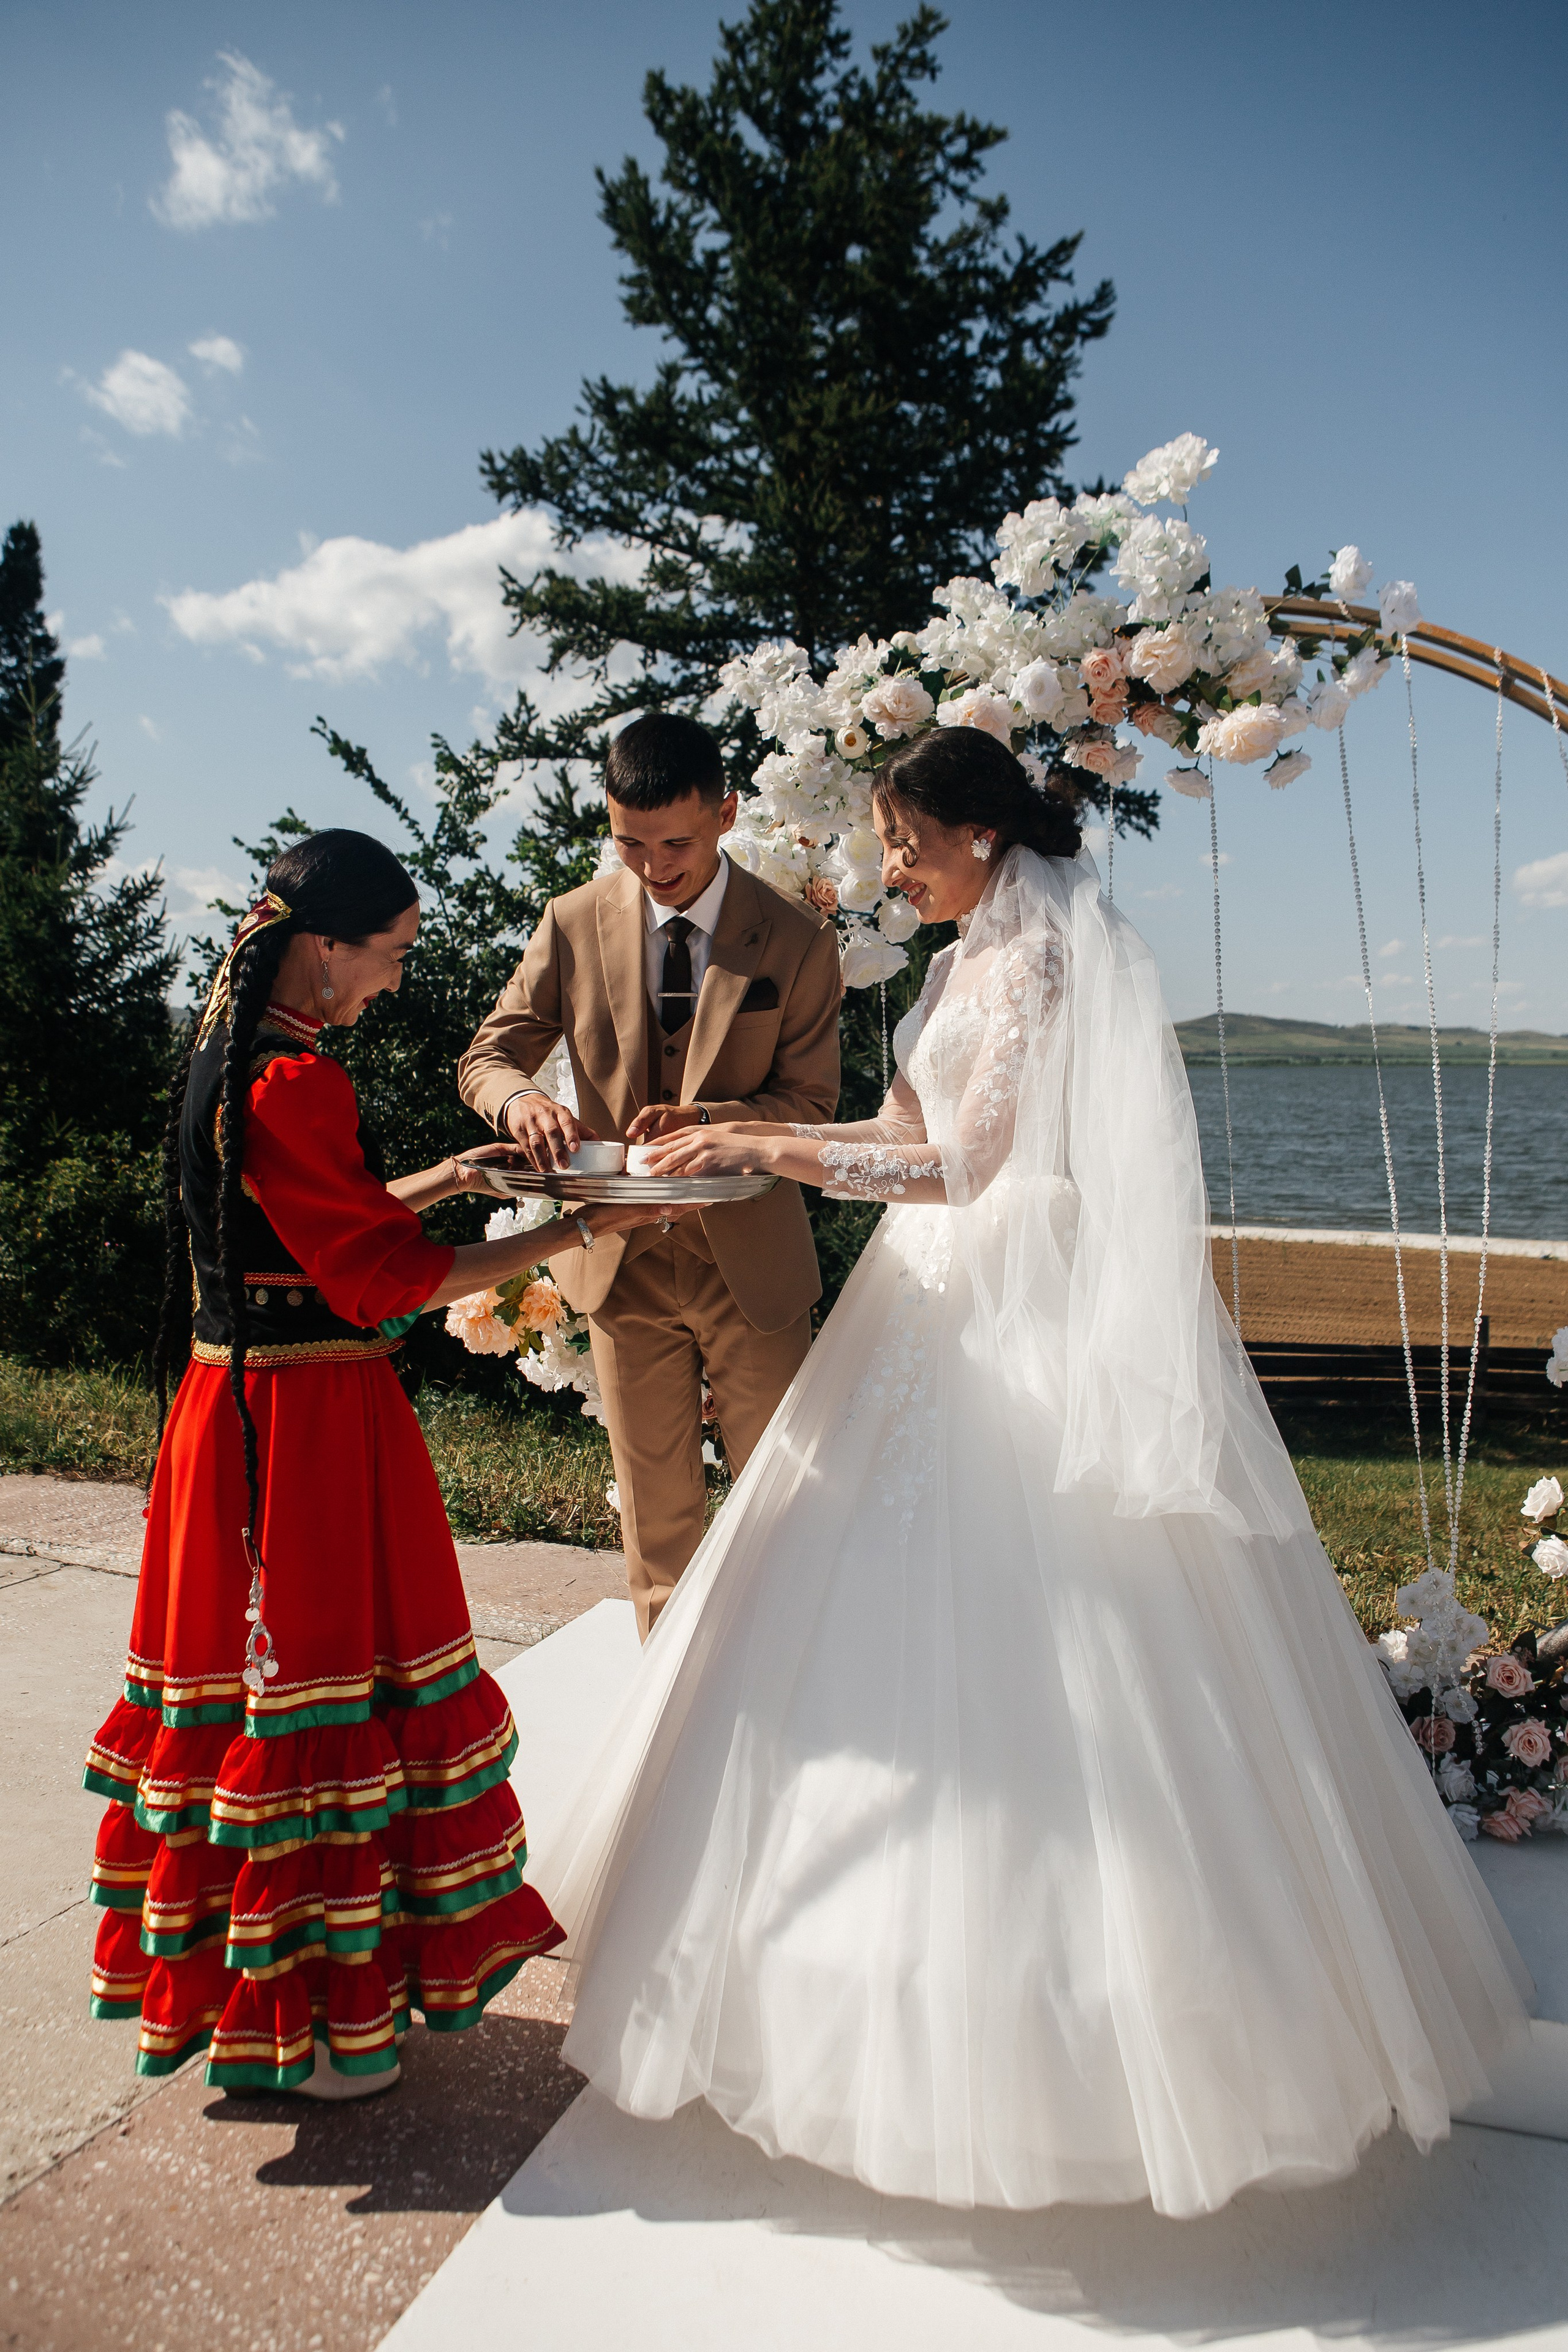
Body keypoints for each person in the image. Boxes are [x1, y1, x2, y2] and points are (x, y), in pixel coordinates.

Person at [529, 729, 1532, 2218]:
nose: (890, 869)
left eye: (905, 844)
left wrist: (775, 1155)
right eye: (886, 846)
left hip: (1019, 1311)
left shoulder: (1045, 964)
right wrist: (748, 1131)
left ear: (980, 837)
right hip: (924, 1305)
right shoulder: (951, 969)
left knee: (1069, 1625)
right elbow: (898, 1130)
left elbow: (963, 1169)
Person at [84, 829, 673, 2100]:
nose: (398, 980)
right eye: (391, 955)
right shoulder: (300, 1082)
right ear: (324, 946)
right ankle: (317, 2031)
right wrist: (576, 1227)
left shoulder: (232, 1048)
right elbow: (381, 1285)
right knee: (324, 1695)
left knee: (253, 1701)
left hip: (228, 1402)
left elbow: (311, 1235)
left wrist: (453, 1176)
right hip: (307, 1429)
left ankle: (266, 2014)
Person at [457, 713, 842, 1637]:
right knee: (655, 1518)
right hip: (615, 1258)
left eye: (675, 843)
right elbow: (488, 1057)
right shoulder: (572, 922)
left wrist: (711, 1124)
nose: (653, 865)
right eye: (630, 842)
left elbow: (812, 1106)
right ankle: (674, 1701)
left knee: (784, 1505)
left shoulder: (795, 937)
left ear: (725, 814)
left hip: (750, 1263)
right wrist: (523, 1103)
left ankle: (788, 1678)